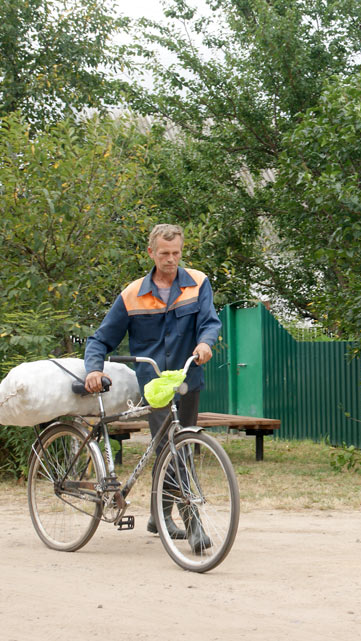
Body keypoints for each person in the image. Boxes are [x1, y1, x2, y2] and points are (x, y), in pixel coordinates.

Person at [83, 223, 221, 549]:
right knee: (171, 450)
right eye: (164, 254)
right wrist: (93, 369)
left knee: (181, 446)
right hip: (155, 384)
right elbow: (101, 339)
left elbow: (209, 322)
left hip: (187, 380)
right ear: (151, 252)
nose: (171, 260)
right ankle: (193, 523)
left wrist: (205, 343)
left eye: (176, 253)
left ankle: (157, 514)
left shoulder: (198, 283)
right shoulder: (132, 294)